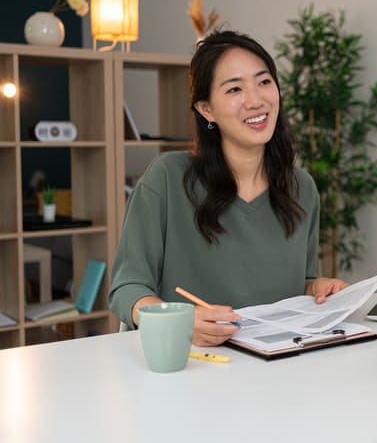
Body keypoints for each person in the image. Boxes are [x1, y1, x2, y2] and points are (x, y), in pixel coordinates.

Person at [110, 30, 347, 346]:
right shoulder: (167, 178)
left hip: (276, 364)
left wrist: (316, 288)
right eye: (235, 88)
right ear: (206, 109)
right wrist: (178, 320)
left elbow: (297, 282)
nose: (255, 100)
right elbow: (127, 289)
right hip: (193, 368)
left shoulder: (301, 187)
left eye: (264, 82)